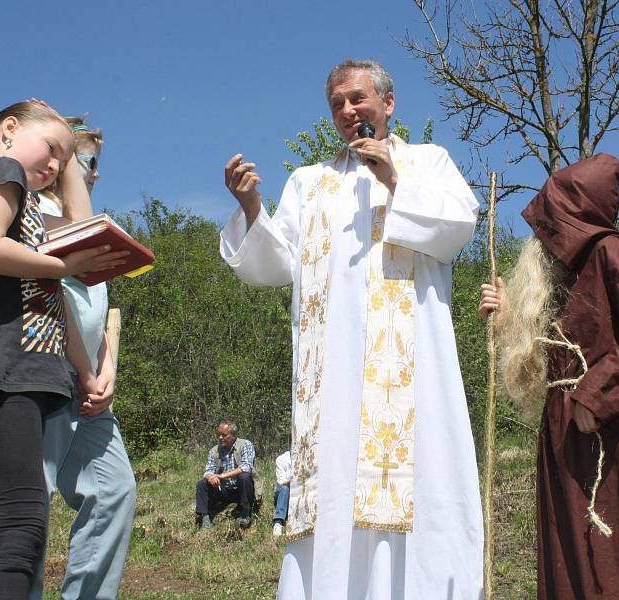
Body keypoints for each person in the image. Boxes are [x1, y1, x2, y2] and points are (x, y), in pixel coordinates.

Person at [221, 59, 483, 599]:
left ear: (388, 103)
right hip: (333, 383)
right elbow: (275, 264)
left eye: (358, 99)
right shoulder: (309, 183)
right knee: (336, 496)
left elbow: (458, 226)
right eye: (337, 103)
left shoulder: (428, 162)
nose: (347, 110)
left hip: (413, 379)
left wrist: (393, 179)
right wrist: (251, 208)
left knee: (420, 488)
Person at [479, 153, 619, 599]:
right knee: (572, 552)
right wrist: (509, 314)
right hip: (565, 432)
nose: (543, 231)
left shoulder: (610, 252)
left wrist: (594, 397)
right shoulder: (568, 268)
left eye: (553, 217)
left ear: (575, 214)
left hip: (614, 434)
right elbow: (562, 345)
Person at [0, 102, 127, 600]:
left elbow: (54, 293)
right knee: (20, 527)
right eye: (51, 151)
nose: (55, 166)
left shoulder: (24, 206)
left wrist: (85, 371)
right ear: (8, 129)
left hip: (16, 371)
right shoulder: (2, 172)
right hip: (5, 371)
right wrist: (62, 266)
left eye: (65, 161)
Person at [28, 117, 137, 600]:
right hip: (50, 373)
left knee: (114, 492)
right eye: (80, 159)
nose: (89, 172)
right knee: (29, 506)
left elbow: (97, 308)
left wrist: (106, 369)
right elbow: (54, 300)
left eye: (94, 163)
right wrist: (86, 369)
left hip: (91, 387)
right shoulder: (33, 210)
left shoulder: (89, 222)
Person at [195, 420, 256, 529]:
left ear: (233, 435)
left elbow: (246, 466)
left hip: (241, 489)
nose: (220, 438)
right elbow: (208, 471)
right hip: (223, 490)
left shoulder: (245, 444)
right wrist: (211, 477)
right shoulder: (214, 450)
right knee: (202, 484)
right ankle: (205, 518)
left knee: (244, 476)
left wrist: (222, 476)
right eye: (218, 434)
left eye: (223, 435)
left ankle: (245, 513)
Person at [273, 450, 291, 537]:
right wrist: (294, 480)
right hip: (284, 493)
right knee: (285, 488)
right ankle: (278, 522)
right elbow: (281, 481)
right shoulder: (281, 459)